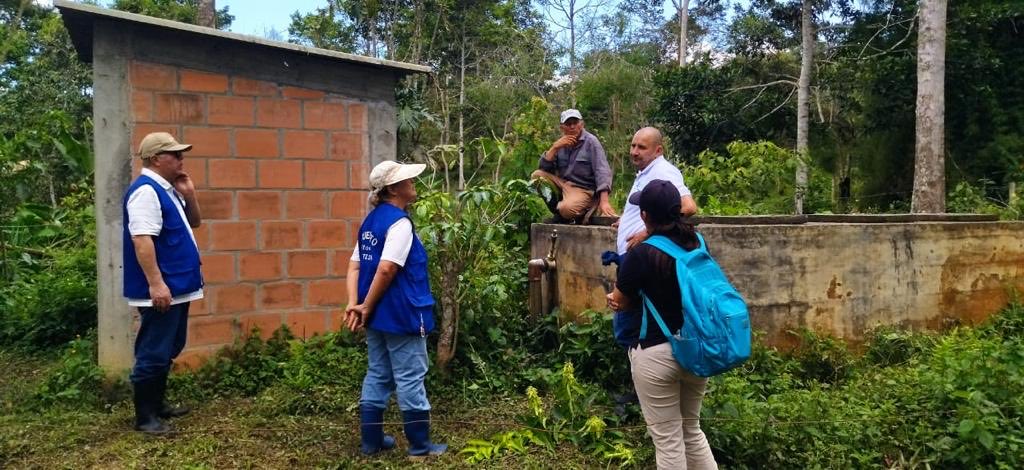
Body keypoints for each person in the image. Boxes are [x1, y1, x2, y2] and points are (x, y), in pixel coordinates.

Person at [606, 180, 718, 470]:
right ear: (677, 211)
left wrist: (613, 298)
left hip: (656, 353)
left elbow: (622, 301)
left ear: (644, 216)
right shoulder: (698, 243)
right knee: (691, 431)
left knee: (668, 441)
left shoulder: (641, 254)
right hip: (696, 347)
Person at [344, 160, 447, 457]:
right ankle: (420, 445)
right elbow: (387, 269)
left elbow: (354, 265)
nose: (413, 183)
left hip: (376, 316)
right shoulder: (399, 223)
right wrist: (364, 304)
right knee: (411, 375)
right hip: (402, 313)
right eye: (407, 180)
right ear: (392, 189)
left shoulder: (371, 221)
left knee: (378, 373)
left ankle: (372, 441)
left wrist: (357, 304)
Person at [122, 132, 203, 434]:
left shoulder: (166, 190)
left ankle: (157, 406)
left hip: (178, 287)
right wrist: (156, 284)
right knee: (154, 351)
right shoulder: (146, 191)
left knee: (169, 347)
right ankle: (146, 418)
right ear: (156, 159)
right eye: (175, 155)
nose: (182, 159)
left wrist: (189, 193)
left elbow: (194, 223)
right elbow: (142, 239)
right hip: (163, 290)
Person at [613, 126, 698, 350]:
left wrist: (647, 232)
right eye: (633, 145)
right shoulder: (647, 171)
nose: (634, 152)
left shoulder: (663, 171)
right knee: (630, 322)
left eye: (642, 147)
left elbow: (688, 207)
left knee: (635, 326)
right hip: (632, 258)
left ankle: (644, 372)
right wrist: (627, 220)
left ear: (658, 150)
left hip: (644, 260)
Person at [531, 108, 617, 223]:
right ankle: (559, 214)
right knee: (537, 177)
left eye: (575, 123)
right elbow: (544, 168)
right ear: (562, 127)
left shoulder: (591, 142)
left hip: (584, 189)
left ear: (581, 124)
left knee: (566, 209)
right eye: (568, 124)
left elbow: (602, 170)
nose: (572, 127)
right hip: (564, 185)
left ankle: (581, 209)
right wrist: (555, 148)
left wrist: (604, 200)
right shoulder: (560, 143)